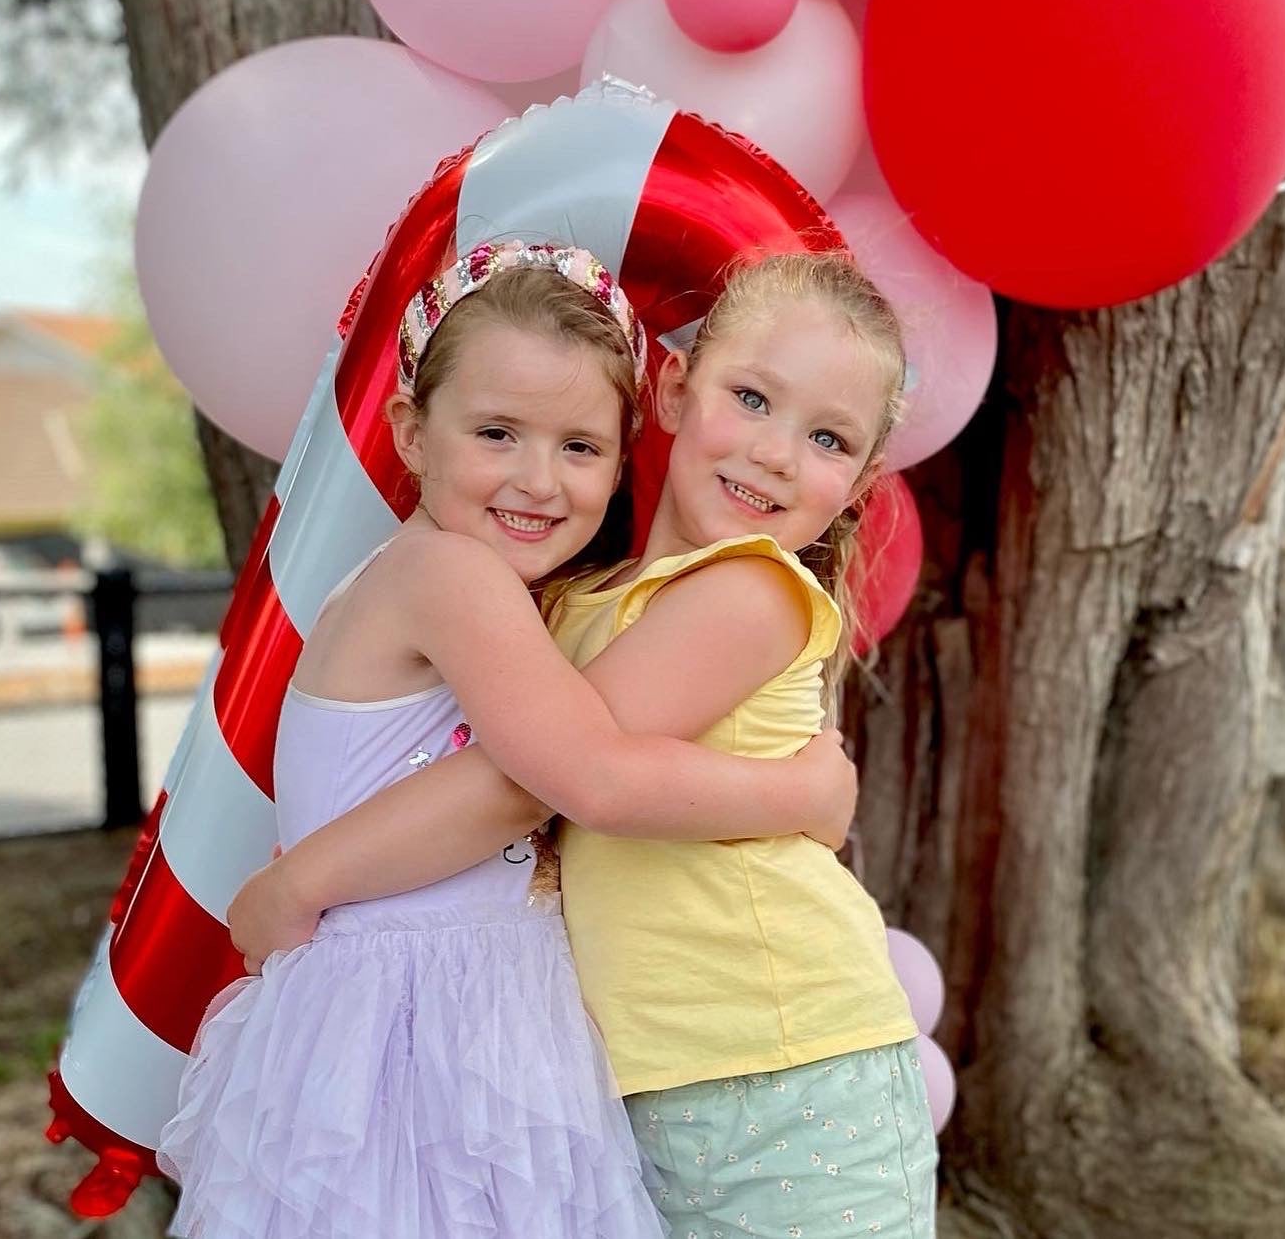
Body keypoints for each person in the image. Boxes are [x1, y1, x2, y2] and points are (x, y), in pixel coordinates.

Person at [157, 241, 860, 1239]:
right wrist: (802, 797)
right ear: (411, 429)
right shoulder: (453, 577)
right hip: (420, 1019)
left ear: (623, 456)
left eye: (580, 446)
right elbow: (568, 780)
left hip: (439, 1005)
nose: (539, 479)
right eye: (497, 432)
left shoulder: (469, 584)